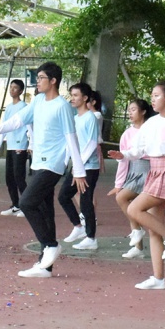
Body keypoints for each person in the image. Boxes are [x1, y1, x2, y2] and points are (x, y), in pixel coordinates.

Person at [0, 62, 87, 278]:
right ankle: (45, 266)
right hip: (37, 163)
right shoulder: (38, 101)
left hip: (53, 165)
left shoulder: (62, 106)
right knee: (45, 211)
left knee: (26, 203)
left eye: (41, 77)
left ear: (53, 81)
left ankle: (50, 245)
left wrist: (79, 171)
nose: (37, 81)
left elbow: (71, 138)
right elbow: (15, 122)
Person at [108, 81, 165, 289]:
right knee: (154, 228)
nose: (153, 99)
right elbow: (138, 150)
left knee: (134, 208)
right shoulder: (151, 123)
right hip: (154, 171)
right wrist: (123, 155)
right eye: (152, 95)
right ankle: (159, 278)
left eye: (157, 95)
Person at [59, 82, 103, 251]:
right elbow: (70, 143)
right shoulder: (75, 118)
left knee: (85, 201)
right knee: (63, 196)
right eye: (72, 95)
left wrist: (79, 164)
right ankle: (78, 227)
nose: (72, 98)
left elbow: (92, 143)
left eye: (76, 95)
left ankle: (91, 238)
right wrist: (65, 162)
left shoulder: (90, 117)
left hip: (89, 168)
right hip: (78, 167)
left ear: (85, 98)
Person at [109, 98, 154, 259]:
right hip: (135, 171)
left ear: (143, 111)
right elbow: (123, 160)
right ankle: (138, 243)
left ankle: (159, 244)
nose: (130, 113)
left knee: (150, 212)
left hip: (151, 170)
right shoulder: (127, 134)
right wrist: (119, 183)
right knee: (124, 200)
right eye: (129, 110)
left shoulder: (152, 129)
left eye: (133, 109)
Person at [0, 79, 30, 218]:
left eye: (15, 88)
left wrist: (28, 145)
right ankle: (16, 205)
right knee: (9, 177)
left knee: (19, 177)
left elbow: (28, 127)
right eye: (11, 87)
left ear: (21, 91)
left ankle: (27, 206)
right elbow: (4, 126)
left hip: (20, 146)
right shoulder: (9, 107)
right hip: (10, 146)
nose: (12, 90)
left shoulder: (24, 107)